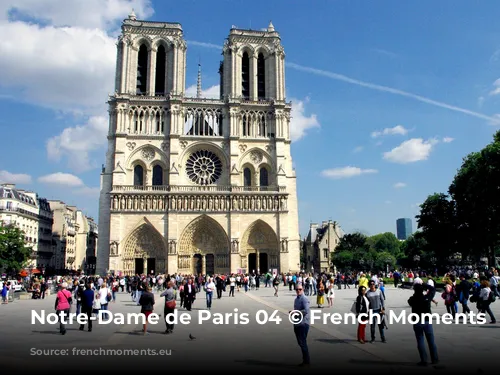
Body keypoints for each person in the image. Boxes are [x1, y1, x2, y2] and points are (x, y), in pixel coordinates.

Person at [408, 283, 439, 366]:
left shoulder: (412, 299)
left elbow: (410, 302)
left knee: (420, 341)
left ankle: (424, 360)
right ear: (423, 290)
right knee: (431, 341)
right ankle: (435, 359)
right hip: (427, 321)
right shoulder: (427, 298)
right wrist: (424, 285)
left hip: (417, 322)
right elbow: (432, 289)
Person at [290, 283, 310, 366]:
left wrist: (295, 312)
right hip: (297, 323)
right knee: (301, 342)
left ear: (303, 289)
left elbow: (306, 311)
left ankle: (306, 361)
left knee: (302, 342)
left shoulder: (304, 299)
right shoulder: (296, 299)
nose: (298, 291)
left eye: (300, 289)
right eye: (297, 289)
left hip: (303, 323)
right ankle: (306, 360)